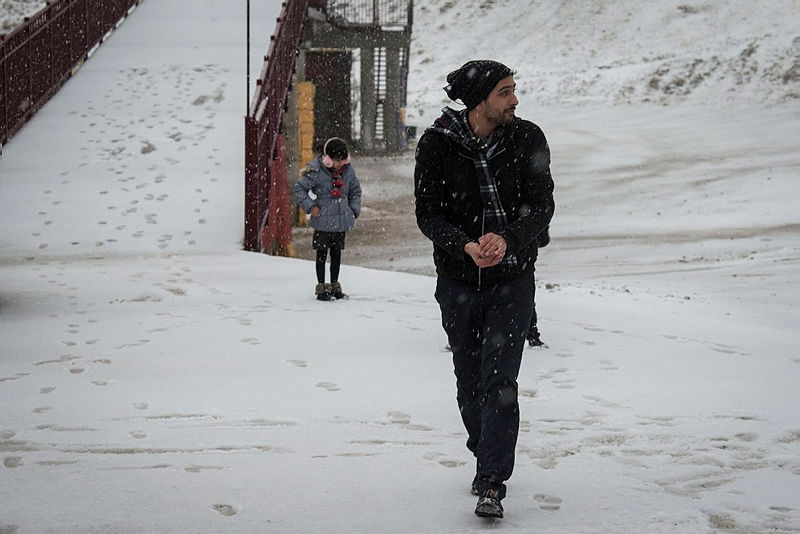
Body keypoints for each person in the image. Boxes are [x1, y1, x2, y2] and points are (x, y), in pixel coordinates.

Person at [414, 60, 554, 519]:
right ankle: (484, 451)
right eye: (505, 92)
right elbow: (428, 215)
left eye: (514, 90)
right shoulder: (436, 145)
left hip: (512, 282)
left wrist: (507, 238)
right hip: (458, 281)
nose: (515, 100)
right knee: (469, 381)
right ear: (480, 102)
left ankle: (493, 481)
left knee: (500, 384)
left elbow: (542, 207)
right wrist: (465, 245)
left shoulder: (527, 138)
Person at [293, 137, 362, 301]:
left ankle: (335, 286)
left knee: (337, 255)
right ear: (328, 158)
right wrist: (311, 207)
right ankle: (322, 287)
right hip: (323, 220)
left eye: (342, 160)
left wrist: (353, 210)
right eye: (336, 160)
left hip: (341, 221)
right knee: (322, 255)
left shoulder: (348, 171)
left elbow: (355, 191)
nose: (339, 164)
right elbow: (299, 189)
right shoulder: (316, 171)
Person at [527, 225, 550, 347]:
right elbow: (543, 241)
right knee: (527, 300)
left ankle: (532, 335)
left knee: (526, 300)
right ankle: (533, 335)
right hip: (523, 265)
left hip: (522, 265)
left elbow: (543, 240)